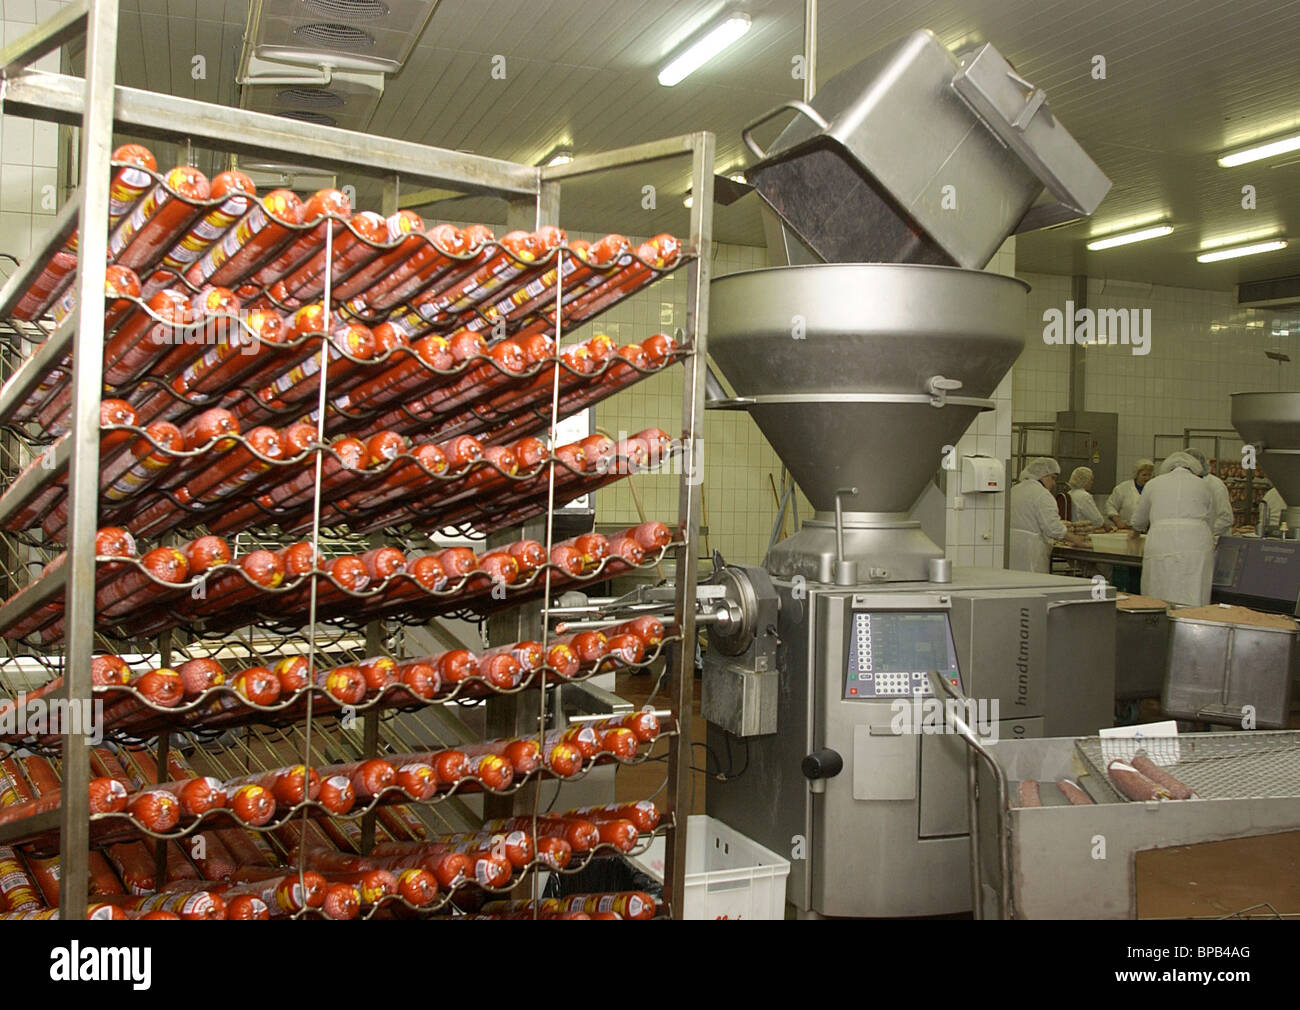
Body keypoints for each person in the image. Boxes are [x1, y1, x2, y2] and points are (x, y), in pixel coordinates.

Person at [1128, 451, 1214, 606]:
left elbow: (1139, 520)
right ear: (1194, 469)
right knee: (1193, 588)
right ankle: (1191, 625)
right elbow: (1210, 518)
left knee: (1159, 588)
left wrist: (1134, 533)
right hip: (1196, 543)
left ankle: (1158, 624)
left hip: (1161, 542)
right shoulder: (1204, 485)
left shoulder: (1153, 484)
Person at [1009, 457, 1090, 572]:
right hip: (1032, 552)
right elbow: (1053, 528)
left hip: (1010, 549)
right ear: (1043, 475)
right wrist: (1075, 539)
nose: (1053, 483)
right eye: (1053, 478)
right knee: (1034, 587)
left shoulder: (1014, 490)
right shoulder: (1042, 495)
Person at [1184, 448, 1233, 536]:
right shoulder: (1188, 484)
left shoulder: (1215, 486)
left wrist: (1204, 533)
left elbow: (1226, 519)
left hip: (1215, 540)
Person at [1106, 458, 1154, 529]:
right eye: (1144, 475)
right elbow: (1111, 506)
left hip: (1148, 530)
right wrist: (1118, 522)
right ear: (1136, 475)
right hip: (1127, 529)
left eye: (1149, 475)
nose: (1147, 478)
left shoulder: (1153, 489)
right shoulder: (1123, 488)